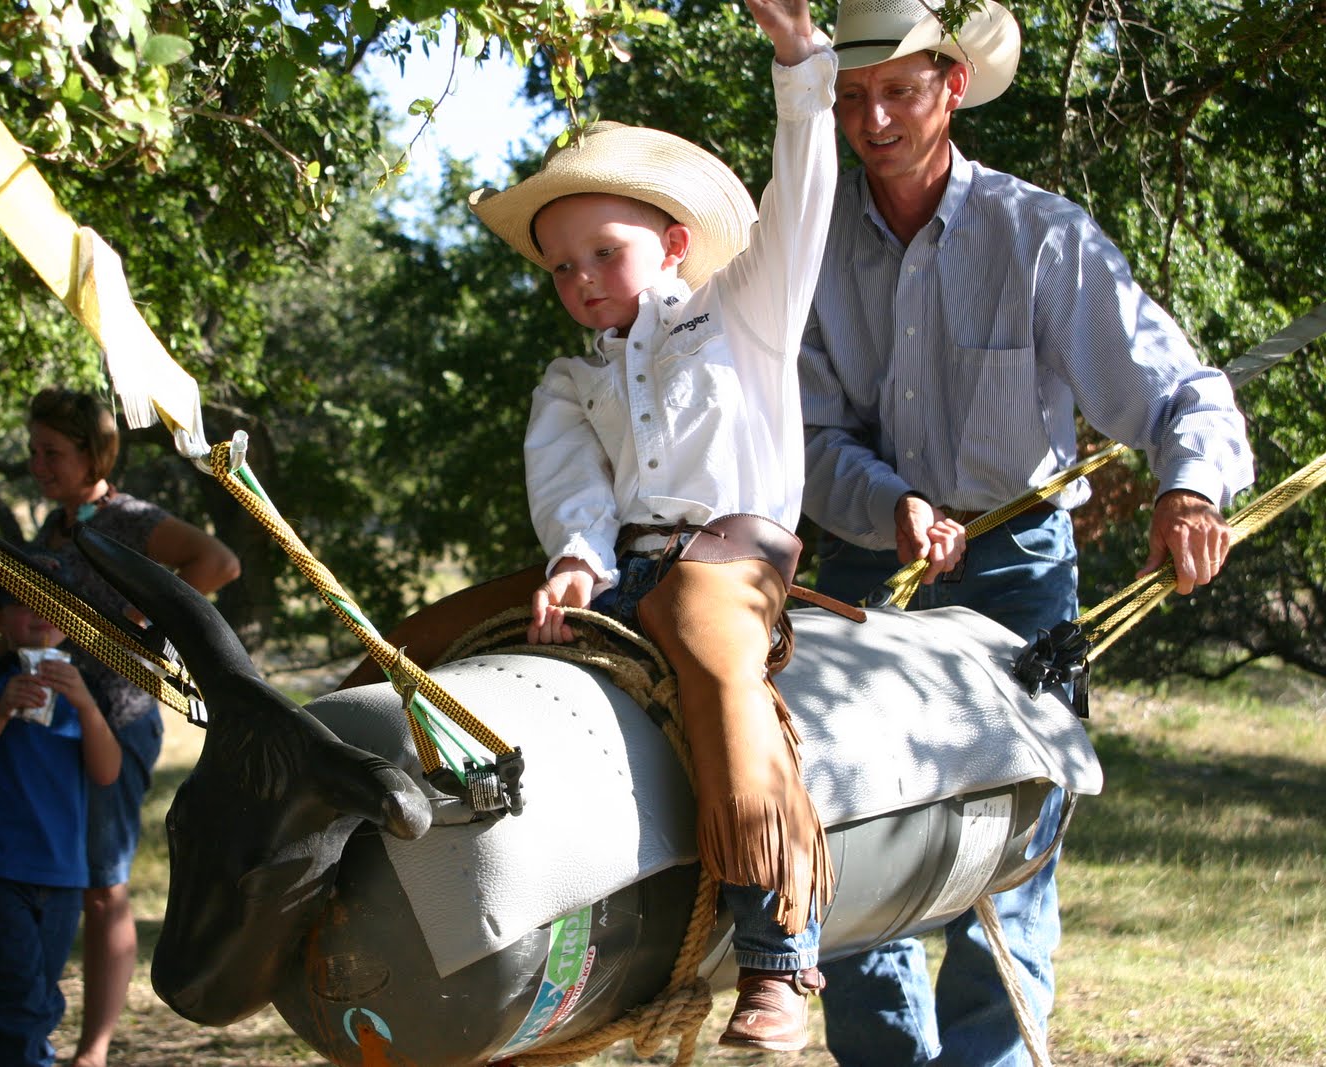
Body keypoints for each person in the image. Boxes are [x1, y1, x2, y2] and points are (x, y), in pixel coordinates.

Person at [799, 1, 1255, 1063]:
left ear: (951, 87)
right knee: (856, 851)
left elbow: (1181, 389)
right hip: (867, 577)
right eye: (852, 97)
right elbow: (806, 434)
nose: (874, 120)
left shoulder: (1040, 235)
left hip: (1018, 581)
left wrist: (1189, 490)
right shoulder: (807, 252)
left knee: (1011, 856)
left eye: (899, 91)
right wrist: (888, 501)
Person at [468, 0, 837, 1050]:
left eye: (602, 251)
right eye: (559, 267)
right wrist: (576, 561)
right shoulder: (566, 380)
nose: (580, 280)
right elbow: (568, 487)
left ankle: (774, 952)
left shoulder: (744, 312)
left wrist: (800, 65)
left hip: (735, 558)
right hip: (628, 564)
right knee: (449, 629)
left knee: (715, 656)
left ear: (673, 242)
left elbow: (802, 200)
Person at [25, 386, 240, 1067]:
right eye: (34, 451)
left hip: (117, 717)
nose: (39, 465)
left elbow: (218, 561)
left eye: (53, 452)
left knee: (102, 883)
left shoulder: (128, 518)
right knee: (57, 878)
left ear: (93, 452)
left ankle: (93, 1049)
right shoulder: (52, 528)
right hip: (52, 722)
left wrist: (149, 627)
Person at [0, 556, 123, 1067]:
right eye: (22, 604)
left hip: (63, 870)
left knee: (43, 993)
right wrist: (1, 711)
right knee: (18, 992)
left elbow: (107, 771)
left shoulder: (89, 682)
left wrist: (85, 706)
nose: (40, 615)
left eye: (52, 605)